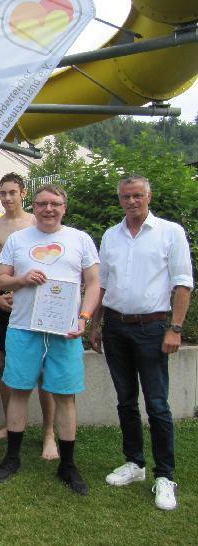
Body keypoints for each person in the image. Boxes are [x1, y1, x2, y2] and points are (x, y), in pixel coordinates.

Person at [89, 175, 193, 511]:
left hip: (151, 328)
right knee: (125, 400)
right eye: (125, 197)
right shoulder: (111, 235)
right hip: (116, 327)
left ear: (149, 196)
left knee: (158, 404)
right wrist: (95, 324)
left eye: (137, 196)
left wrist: (174, 328)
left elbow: (182, 285)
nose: (131, 202)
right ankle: (135, 463)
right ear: (120, 200)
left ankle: (165, 475)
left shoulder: (170, 232)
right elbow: (102, 285)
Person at [0, 184, 100, 496]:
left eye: (55, 204)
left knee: (64, 395)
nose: (48, 209)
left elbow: (93, 284)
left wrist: (84, 318)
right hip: (23, 328)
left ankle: (67, 465)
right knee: (20, 391)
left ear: (65, 207)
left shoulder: (80, 239)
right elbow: (0, 278)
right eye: (42, 204)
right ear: (34, 207)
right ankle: (12, 458)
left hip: (66, 331)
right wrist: (21, 280)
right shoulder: (17, 239)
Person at [0, 173, 58, 459]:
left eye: (12, 192)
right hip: (4, 303)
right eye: (2, 193)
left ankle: (49, 433)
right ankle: (8, 423)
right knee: (1, 363)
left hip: (35, 303)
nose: (7, 198)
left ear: (23, 193)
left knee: (42, 369)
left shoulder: (36, 224)